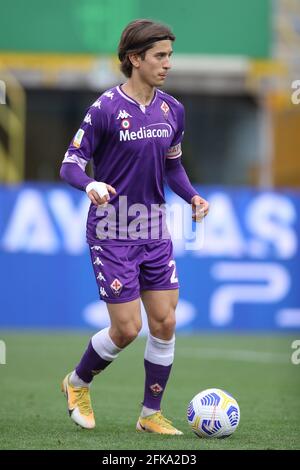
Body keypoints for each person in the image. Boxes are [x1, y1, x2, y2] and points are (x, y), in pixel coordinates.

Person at [59, 18, 209, 435]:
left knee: (164, 323)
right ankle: (77, 383)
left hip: (153, 229)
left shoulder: (172, 110)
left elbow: (173, 165)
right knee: (127, 329)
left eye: (169, 56)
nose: (168, 64)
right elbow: (70, 163)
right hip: (111, 231)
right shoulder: (105, 109)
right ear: (134, 59)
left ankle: (150, 414)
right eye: (160, 56)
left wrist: (191, 195)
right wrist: (90, 183)